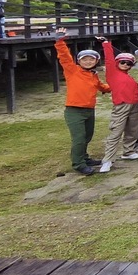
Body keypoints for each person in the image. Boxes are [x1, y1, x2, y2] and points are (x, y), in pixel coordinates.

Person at [54, 27, 111, 175]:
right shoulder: (72, 71)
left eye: (91, 59)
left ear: (96, 61)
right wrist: (60, 40)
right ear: (79, 61)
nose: (87, 61)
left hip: (89, 110)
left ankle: (84, 157)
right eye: (84, 59)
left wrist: (116, 87)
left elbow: (102, 87)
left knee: (87, 136)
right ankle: (78, 164)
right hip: (74, 110)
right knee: (79, 138)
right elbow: (64, 57)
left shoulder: (93, 75)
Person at [97, 37, 138, 173]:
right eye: (122, 62)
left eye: (129, 63)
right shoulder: (112, 72)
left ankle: (128, 151)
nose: (125, 64)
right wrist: (106, 43)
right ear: (117, 62)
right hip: (121, 105)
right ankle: (107, 160)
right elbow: (109, 59)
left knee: (132, 129)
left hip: (134, 104)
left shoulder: (128, 76)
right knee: (116, 132)